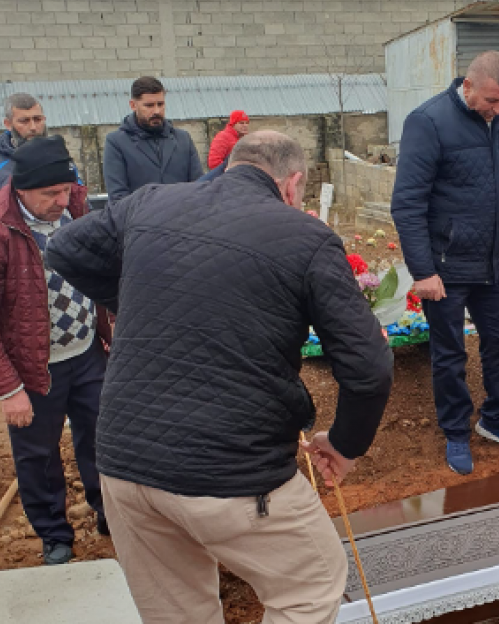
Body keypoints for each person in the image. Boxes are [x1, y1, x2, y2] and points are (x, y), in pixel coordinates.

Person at [47, 131, 393, 623]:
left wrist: (136, 301)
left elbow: (64, 247)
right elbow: (370, 365)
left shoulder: (151, 202)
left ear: (232, 165)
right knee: (310, 586)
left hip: (125, 467)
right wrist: (344, 444)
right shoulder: (306, 237)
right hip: (230, 471)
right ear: (293, 185)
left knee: (178, 614)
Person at [391, 50, 499, 476]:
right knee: (450, 352)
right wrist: (422, 271)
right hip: (445, 265)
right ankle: (456, 431)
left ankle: (498, 418)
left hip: (492, 260)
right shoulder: (429, 121)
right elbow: (407, 203)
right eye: (492, 101)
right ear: (468, 86)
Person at [0, 136, 112, 565]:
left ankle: (107, 510)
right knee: (38, 453)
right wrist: (9, 389)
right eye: (50, 194)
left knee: (101, 436)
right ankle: (53, 534)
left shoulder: (78, 208)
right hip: (34, 366)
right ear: (22, 189)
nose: (60, 200)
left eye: (65, 190)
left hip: (87, 351)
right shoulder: (5, 229)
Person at [102, 76, 203, 202]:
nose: (157, 111)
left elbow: (199, 187)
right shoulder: (117, 143)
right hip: (140, 220)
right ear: (133, 105)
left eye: (160, 104)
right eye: (149, 105)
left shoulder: (183, 139)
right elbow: (118, 198)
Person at [1, 93, 83, 188]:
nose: (33, 127)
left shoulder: (59, 156)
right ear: (8, 124)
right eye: (24, 121)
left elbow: (80, 197)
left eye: (37, 119)